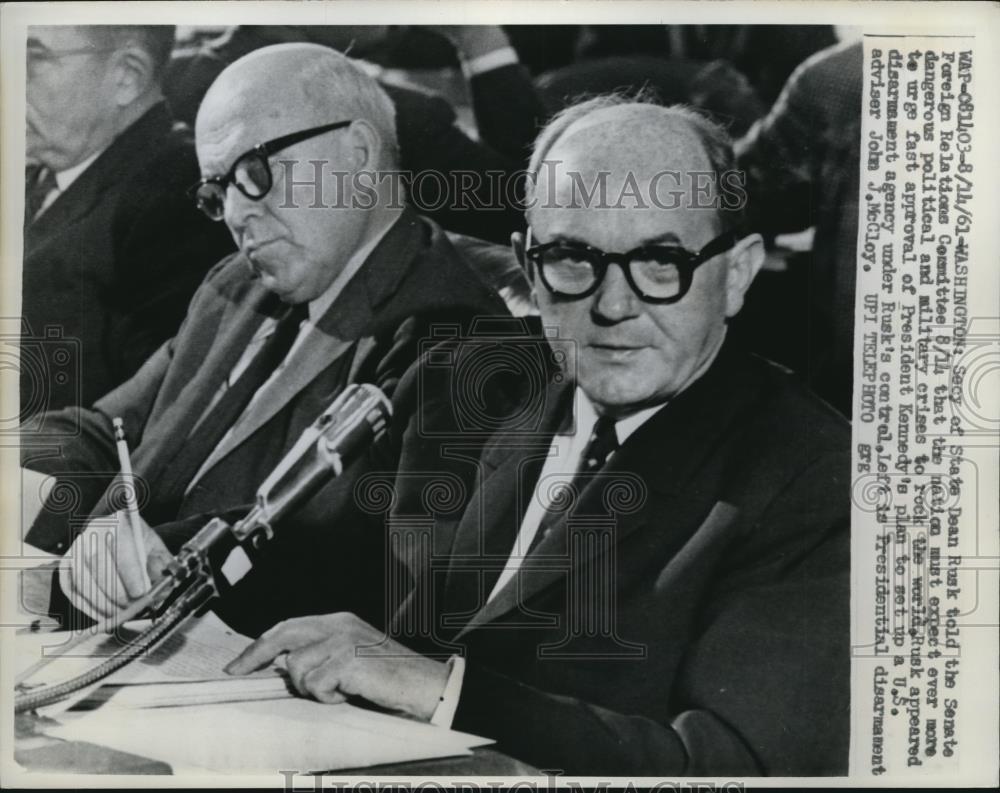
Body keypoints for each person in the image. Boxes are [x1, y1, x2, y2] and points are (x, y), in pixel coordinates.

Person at [224, 97, 851, 776]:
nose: (613, 305)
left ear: (737, 273)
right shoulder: (474, 384)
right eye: (572, 259)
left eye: (661, 261)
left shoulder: (812, 474)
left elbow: (730, 766)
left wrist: (442, 690)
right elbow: (306, 554)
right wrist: (150, 556)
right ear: (526, 264)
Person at [24, 44, 507, 634]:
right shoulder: (235, 288)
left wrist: (151, 552)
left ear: (357, 152)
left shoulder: (455, 334)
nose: (234, 213)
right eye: (216, 190)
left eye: (254, 172)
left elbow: (371, 565)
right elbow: (105, 432)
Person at [21, 25, 235, 414]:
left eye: (32, 59)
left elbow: (147, 414)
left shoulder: (176, 196)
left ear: (127, 76)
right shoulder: (40, 171)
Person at [735, 40, 863, 415]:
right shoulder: (838, 79)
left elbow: (740, 195)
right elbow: (747, 191)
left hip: (848, 396)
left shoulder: (842, 76)